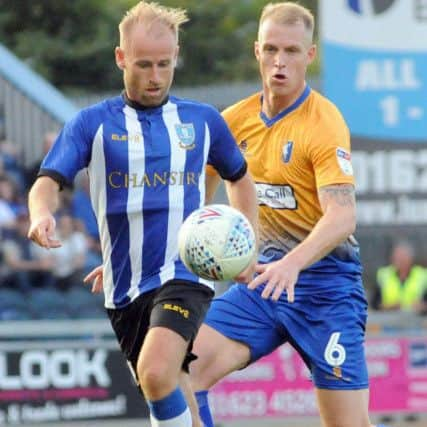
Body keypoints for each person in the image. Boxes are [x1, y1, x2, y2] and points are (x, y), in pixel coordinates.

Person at [27, 2, 257, 427]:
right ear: (120, 58)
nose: (156, 76)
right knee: (171, 387)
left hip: (185, 274)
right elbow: (47, 181)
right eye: (144, 64)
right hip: (124, 289)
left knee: (156, 371)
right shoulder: (90, 124)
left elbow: (240, 179)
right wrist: (41, 214)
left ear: (176, 56)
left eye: (165, 64)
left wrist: (246, 246)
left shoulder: (202, 121)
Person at [188, 3, 391, 427]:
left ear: (310, 55)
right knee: (181, 374)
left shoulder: (324, 122)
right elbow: (192, 204)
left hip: (325, 290)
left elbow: (342, 216)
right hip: (260, 285)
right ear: (256, 50)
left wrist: (292, 264)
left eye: (293, 51)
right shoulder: (232, 122)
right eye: (272, 49)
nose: (280, 62)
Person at [371, 240, 427, 313]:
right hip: (388, 321)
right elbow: (374, 304)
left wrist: (422, 306)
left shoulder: (423, 275)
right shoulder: (384, 275)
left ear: (410, 259)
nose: (399, 260)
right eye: (396, 257)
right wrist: (388, 306)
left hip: (416, 322)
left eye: (402, 257)